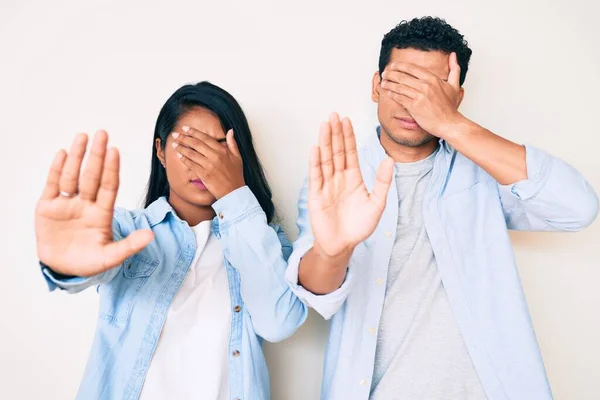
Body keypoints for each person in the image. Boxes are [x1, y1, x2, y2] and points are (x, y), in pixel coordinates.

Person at [285, 16, 598, 400]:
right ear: (376, 85)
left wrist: (451, 123)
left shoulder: (484, 172)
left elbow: (577, 209)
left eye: (430, 90)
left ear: (455, 97)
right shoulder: (339, 176)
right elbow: (315, 293)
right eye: (401, 83)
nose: (412, 103)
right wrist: (333, 251)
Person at [35, 81, 307, 400]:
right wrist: (67, 265)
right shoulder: (129, 230)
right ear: (161, 151)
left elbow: (278, 323)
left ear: (239, 155)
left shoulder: (265, 240)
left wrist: (235, 198)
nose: (203, 162)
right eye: (188, 146)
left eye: (217, 147)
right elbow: (87, 259)